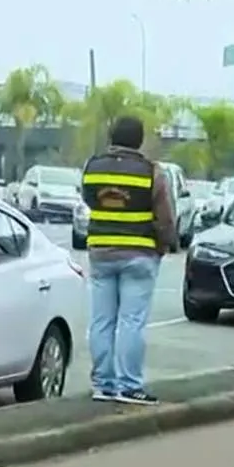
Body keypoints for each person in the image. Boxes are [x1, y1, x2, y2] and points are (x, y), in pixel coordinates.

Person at [82, 115, 177, 405]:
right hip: (139, 254)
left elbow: (88, 200)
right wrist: (164, 245)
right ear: (140, 141)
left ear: (111, 138)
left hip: (101, 252)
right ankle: (129, 385)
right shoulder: (151, 172)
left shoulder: (92, 167)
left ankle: (103, 384)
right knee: (131, 322)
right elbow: (166, 218)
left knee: (101, 321)